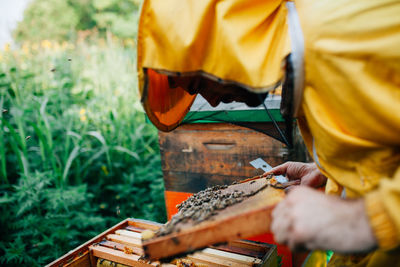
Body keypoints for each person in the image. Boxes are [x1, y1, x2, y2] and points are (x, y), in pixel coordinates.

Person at [137, 0, 400, 266]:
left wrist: (359, 221)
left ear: (225, 40)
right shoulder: (308, 57)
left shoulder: (338, 33)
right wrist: (329, 171)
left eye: (199, 83)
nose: (212, 102)